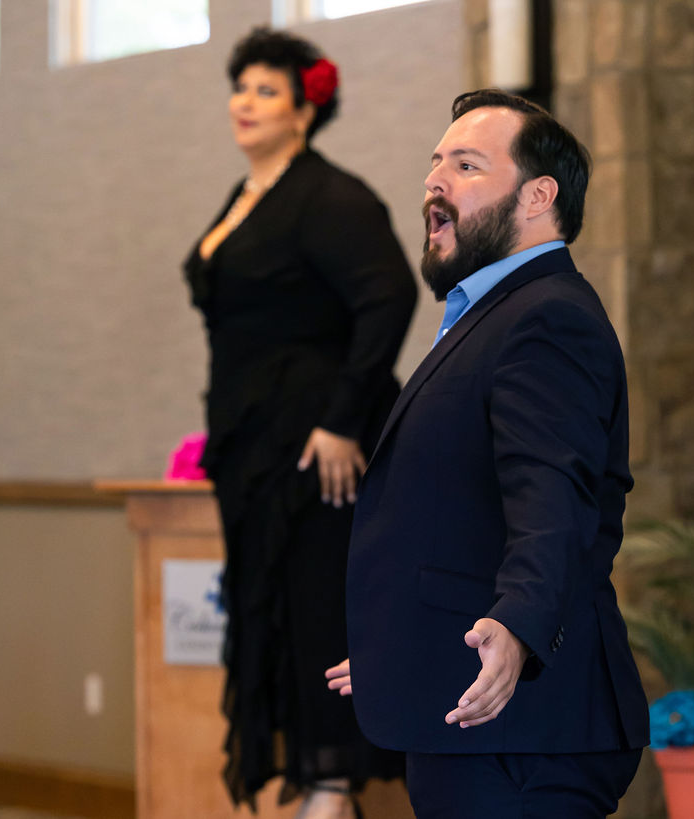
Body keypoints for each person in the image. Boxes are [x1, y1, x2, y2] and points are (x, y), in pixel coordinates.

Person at [326, 89, 649, 818]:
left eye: (466, 165)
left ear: (538, 196)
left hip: (523, 730)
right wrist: (406, 645)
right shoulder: (493, 317)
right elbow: (461, 514)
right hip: (476, 713)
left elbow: (552, 497)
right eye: (436, 162)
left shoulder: (548, 318)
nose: (434, 181)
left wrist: (518, 626)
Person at [182, 27, 416, 819]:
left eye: (267, 90)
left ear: (305, 110)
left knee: (319, 608)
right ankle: (319, 786)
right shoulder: (245, 194)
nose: (245, 102)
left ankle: (331, 786)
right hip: (254, 448)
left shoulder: (329, 195)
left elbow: (388, 296)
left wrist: (343, 420)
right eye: (240, 87)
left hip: (317, 447)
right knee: (272, 610)